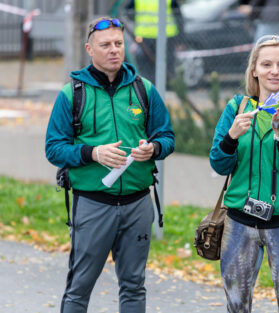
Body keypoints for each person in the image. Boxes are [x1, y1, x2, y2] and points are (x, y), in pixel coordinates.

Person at [45, 16, 174, 313]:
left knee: (133, 286)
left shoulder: (145, 90)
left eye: (118, 43)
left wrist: (153, 148)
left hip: (138, 203)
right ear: (90, 49)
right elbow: (54, 149)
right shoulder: (72, 93)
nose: (114, 50)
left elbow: (167, 137)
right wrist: (93, 154)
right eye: (105, 45)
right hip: (92, 203)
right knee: (79, 287)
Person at [209, 35, 279, 313]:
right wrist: (231, 136)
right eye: (267, 64)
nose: (274, 71)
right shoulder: (237, 108)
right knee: (236, 305)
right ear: (254, 69)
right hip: (238, 223)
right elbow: (219, 164)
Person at [126, 0, 184, 83]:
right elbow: (178, 16)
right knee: (165, 63)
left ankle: (150, 86)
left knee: (147, 65)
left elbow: (128, 12)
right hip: (165, 35)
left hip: (147, 35)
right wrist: (180, 38)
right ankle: (163, 86)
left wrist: (136, 18)